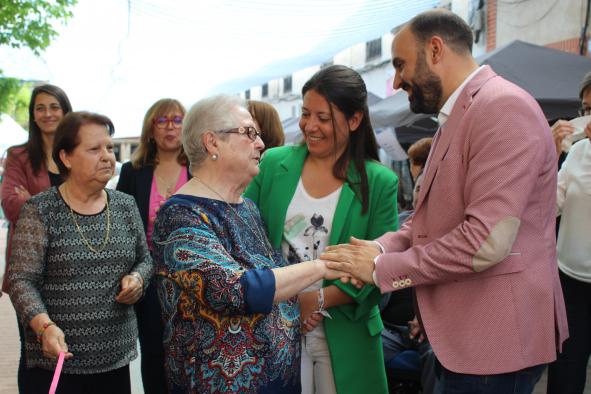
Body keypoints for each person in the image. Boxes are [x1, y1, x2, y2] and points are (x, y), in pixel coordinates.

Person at [322, 9, 568, 394]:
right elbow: (427, 221)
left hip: (492, 344)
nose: (397, 79)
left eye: (401, 64)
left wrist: (381, 268)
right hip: (461, 339)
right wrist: (376, 247)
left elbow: (484, 242)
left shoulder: (501, 107)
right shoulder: (461, 113)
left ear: (435, 50)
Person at [151, 94, 349, 394]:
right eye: (249, 133)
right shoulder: (180, 214)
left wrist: (296, 309)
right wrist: (326, 266)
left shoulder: (247, 207)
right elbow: (233, 290)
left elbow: (275, 274)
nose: (260, 144)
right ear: (212, 143)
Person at [244, 65, 397, 394]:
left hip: (345, 329)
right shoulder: (273, 164)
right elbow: (244, 240)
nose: (310, 126)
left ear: (354, 120)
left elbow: (381, 265)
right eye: (305, 114)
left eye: (323, 118)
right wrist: (287, 300)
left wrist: (318, 299)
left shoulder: (380, 182)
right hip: (275, 327)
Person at [7, 111, 153, 394]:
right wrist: (44, 327)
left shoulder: (125, 205)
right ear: (66, 157)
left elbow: (144, 259)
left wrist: (138, 279)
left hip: (115, 357)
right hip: (58, 359)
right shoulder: (41, 209)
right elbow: (21, 279)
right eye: (94, 149)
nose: (107, 156)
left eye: (109, 148)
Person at [0, 84, 72, 393]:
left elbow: (91, 201)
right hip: (31, 270)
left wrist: (34, 200)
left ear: (65, 111)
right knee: (33, 351)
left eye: (54, 106)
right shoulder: (18, 156)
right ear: (32, 114)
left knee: (69, 348)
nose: (47, 113)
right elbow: (10, 204)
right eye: (40, 107)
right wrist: (66, 210)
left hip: (73, 270)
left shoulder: (76, 152)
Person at [116, 98, 189, 394]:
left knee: (189, 352)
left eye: (177, 120)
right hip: (149, 279)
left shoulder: (200, 166)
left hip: (191, 279)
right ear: (151, 129)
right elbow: (120, 223)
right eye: (162, 121)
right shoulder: (133, 171)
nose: (170, 127)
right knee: (154, 353)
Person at [546, 72, 591, 394]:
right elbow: (546, 207)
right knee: (565, 376)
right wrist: (549, 154)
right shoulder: (578, 152)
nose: (588, 119)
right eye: (587, 109)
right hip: (570, 283)